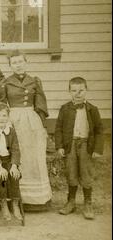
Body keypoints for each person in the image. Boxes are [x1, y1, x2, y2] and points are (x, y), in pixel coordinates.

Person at [0, 50, 52, 208]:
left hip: (32, 120)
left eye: (20, 61)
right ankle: (17, 197)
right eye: (14, 63)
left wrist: (43, 127)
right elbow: (1, 105)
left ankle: (38, 200)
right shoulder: (5, 83)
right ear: (10, 65)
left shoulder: (34, 81)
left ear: (25, 62)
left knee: (34, 157)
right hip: (14, 120)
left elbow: (41, 106)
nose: (18, 65)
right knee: (17, 155)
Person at [55, 77, 104, 220]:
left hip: (86, 145)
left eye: (81, 90)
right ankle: (71, 202)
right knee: (71, 173)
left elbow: (99, 130)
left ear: (86, 90)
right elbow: (58, 128)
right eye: (74, 90)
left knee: (86, 173)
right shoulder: (65, 108)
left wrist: (97, 149)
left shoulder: (92, 109)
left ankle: (87, 203)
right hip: (70, 145)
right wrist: (59, 146)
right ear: (69, 91)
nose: (78, 93)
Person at [0, 102, 23, 220]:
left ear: (8, 117)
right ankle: (3, 203)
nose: (1, 119)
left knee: (14, 175)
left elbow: (16, 149)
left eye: (4, 115)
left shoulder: (11, 131)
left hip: (9, 160)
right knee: (1, 176)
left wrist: (14, 165)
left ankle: (15, 203)